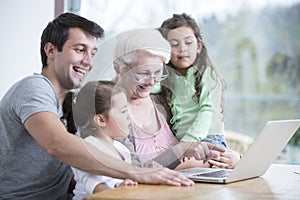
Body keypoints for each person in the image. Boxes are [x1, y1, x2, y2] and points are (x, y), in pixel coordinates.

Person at [0, 13, 194, 200]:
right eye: (79, 50)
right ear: (51, 51)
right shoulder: (34, 88)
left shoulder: (73, 101)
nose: (88, 61)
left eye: (93, 53)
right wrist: (137, 172)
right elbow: (57, 144)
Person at [112, 28, 225, 169]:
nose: (152, 81)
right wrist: (180, 150)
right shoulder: (108, 110)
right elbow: (135, 170)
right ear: (118, 68)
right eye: (143, 73)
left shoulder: (161, 100)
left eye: (158, 72)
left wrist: (233, 159)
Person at [156, 13, 240, 168]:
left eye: (188, 42)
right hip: (183, 143)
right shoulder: (167, 77)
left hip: (208, 139)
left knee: (177, 167)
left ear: (199, 46)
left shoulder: (207, 74)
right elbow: (148, 86)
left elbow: (206, 111)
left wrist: (187, 143)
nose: (182, 49)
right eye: (174, 44)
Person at [63, 81, 139, 199]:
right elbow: (92, 183)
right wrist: (117, 191)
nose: (129, 117)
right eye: (123, 111)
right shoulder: (86, 148)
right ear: (101, 120)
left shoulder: (122, 149)